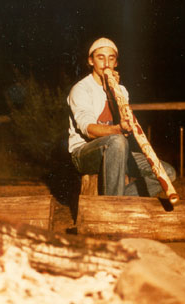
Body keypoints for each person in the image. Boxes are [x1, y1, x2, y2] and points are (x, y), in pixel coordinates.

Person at [67, 37, 176, 196]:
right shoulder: (81, 89)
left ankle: (119, 202)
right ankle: (114, 205)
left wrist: (112, 93)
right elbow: (88, 130)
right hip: (83, 153)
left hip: (117, 151)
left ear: (116, 63)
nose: (106, 64)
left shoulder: (122, 91)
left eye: (111, 58)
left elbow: (124, 127)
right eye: (100, 57)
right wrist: (119, 130)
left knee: (167, 173)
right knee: (117, 141)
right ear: (91, 61)